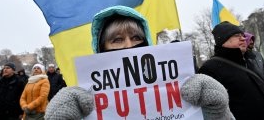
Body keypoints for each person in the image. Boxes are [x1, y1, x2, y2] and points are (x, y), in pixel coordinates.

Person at [45, 6, 234, 120]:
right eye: (117, 40)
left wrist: (216, 110)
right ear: (102, 48)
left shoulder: (180, 84)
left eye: (136, 37)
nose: (129, 45)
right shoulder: (88, 100)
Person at [198, 21, 264, 120]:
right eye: (237, 35)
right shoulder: (210, 68)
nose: (243, 38)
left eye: (242, 35)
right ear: (223, 40)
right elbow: (211, 111)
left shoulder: (247, 60)